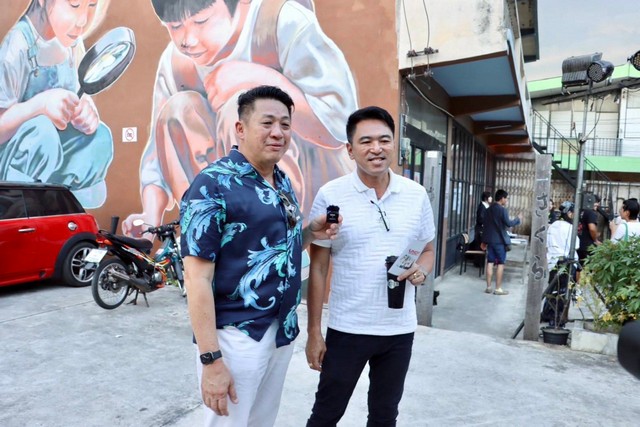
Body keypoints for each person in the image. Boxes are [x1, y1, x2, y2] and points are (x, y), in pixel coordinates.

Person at [124, 0, 358, 238]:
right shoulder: (176, 63)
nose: (188, 39)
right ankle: (206, 230)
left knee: (241, 109)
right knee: (178, 110)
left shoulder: (280, 22)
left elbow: (339, 127)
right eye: (175, 26)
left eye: (201, 21)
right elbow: (157, 156)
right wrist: (150, 219)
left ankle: (273, 229)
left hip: (307, 200)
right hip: (229, 209)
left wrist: (259, 79)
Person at [179, 85, 340, 426]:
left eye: (285, 124)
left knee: (261, 422)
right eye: (267, 123)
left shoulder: (281, 181)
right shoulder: (212, 185)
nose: (278, 132)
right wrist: (211, 359)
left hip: (280, 331)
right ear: (240, 128)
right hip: (236, 335)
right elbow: (196, 278)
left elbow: (278, 250)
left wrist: (310, 232)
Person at [305, 106, 436, 426]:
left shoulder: (416, 195)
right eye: (366, 141)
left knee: (384, 416)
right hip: (347, 328)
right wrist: (313, 332)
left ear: (394, 144)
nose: (376, 148)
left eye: (384, 140)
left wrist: (421, 270)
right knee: (325, 414)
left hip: (399, 330)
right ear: (350, 150)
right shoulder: (331, 195)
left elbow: (428, 250)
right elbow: (318, 269)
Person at [0, 0, 114, 208]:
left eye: (92, 5)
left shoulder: (71, 42)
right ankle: (25, 204)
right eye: (74, 5)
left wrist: (86, 110)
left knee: (101, 136)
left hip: (56, 157)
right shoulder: (17, 44)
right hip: (16, 167)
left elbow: (79, 90)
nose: (83, 20)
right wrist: (40, 105)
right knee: (43, 130)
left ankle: (68, 204)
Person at [542, 201, 580, 326]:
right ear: (569, 214)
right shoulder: (569, 228)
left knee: (552, 289)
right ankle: (556, 320)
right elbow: (576, 246)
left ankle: (547, 314)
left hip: (553, 261)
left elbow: (547, 244)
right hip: (566, 263)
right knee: (563, 292)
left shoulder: (553, 225)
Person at [481, 189, 522, 295]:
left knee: (490, 262)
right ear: (502, 198)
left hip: (490, 241)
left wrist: (484, 241)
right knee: (500, 263)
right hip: (499, 241)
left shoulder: (488, 210)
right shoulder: (502, 210)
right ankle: (498, 289)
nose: (507, 200)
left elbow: (485, 226)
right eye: (506, 198)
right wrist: (518, 219)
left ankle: (488, 287)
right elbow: (509, 223)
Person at [577, 194, 602, 263]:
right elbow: (592, 228)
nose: (597, 205)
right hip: (587, 246)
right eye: (596, 202)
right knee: (587, 267)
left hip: (579, 243)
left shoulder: (581, 211)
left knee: (579, 266)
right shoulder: (591, 213)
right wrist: (595, 240)